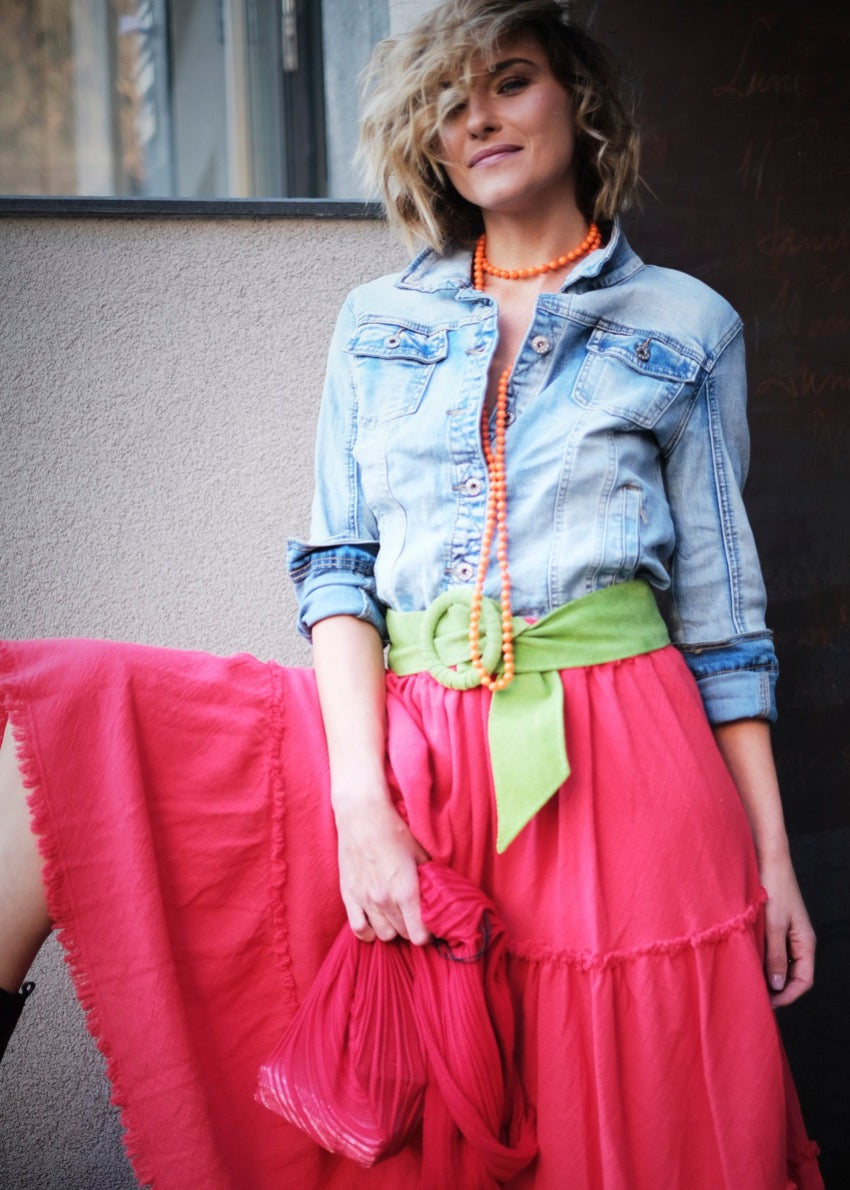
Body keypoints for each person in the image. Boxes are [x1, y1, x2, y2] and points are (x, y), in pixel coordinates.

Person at [0, 0, 823, 1186]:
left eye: (512, 80)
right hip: (419, 742)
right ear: (424, 142)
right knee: (77, 714)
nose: (478, 115)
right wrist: (362, 807)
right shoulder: (376, 323)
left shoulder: (688, 325)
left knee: (622, 1113)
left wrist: (773, 857)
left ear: (578, 105)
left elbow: (722, 622)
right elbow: (338, 570)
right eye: (448, 101)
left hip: (630, 761)